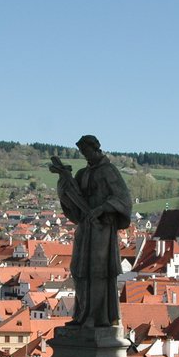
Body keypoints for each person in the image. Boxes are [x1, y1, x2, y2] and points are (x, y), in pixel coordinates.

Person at [48, 135, 132, 327]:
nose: (85, 156)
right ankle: (82, 315)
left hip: (102, 228)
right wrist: (64, 183)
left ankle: (97, 317)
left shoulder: (109, 171)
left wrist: (102, 208)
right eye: (82, 153)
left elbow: (123, 200)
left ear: (95, 149)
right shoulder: (83, 173)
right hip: (86, 227)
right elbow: (73, 203)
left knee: (97, 271)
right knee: (79, 269)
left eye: (86, 151)